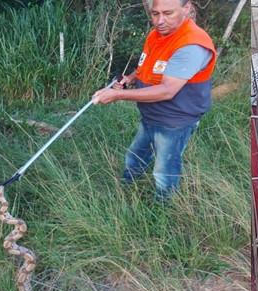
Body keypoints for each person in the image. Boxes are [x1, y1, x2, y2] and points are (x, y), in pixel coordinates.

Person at [92, 0, 216, 203]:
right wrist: (130, 79)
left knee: (164, 170)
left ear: (186, 9)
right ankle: (127, 188)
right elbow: (148, 67)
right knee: (135, 156)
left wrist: (118, 95)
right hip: (151, 115)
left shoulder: (192, 44)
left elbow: (168, 90)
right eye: (155, 14)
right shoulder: (156, 35)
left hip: (175, 120)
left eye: (168, 13)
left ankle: (162, 208)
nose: (160, 21)